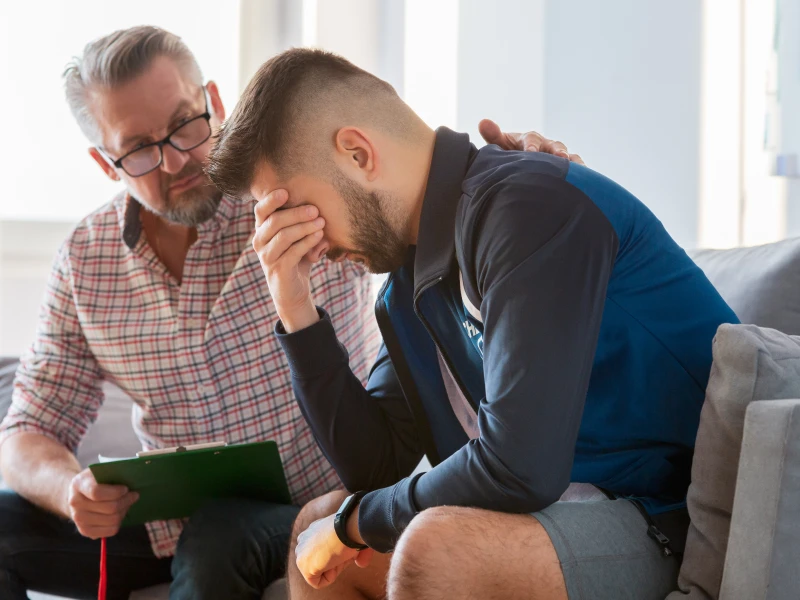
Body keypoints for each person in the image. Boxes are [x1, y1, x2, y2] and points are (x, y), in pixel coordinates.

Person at [0, 27, 562, 600]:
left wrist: (494, 174)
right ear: (104, 161)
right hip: (159, 523)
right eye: (140, 149)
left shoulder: (287, 191)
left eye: (185, 125)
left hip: (296, 507)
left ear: (214, 103)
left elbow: (401, 186)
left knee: (216, 534)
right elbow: (27, 430)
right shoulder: (85, 260)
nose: (174, 161)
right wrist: (72, 488)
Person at [207, 48, 739, 600]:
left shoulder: (527, 208)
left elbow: (519, 466)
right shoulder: (409, 289)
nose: (309, 242)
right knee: (313, 531)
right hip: (565, 510)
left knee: (434, 552)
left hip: (669, 513)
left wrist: (354, 523)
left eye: (296, 210)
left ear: (359, 154)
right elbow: (374, 466)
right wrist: (295, 309)